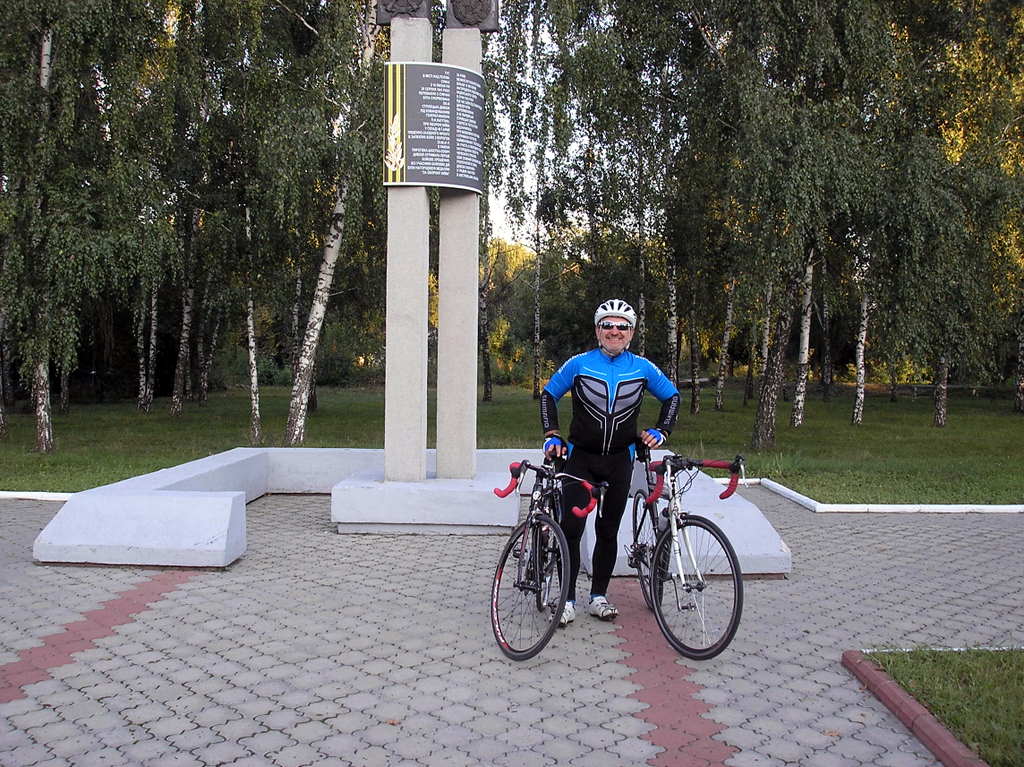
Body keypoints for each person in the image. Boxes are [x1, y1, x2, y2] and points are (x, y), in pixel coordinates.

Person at [540, 298, 679, 625]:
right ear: (597, 330)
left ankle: (598, 597)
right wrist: (552, 434)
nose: (614, 331)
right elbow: (548, 395)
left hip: (620, 461)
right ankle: (567, 599)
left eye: (622, 326)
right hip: (580, 459)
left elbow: (672, 396)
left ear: (631, 333)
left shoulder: (642, 367)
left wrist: (662, 431)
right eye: (608, 325)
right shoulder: (579, 364)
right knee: (571, 530)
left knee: (608, 531)